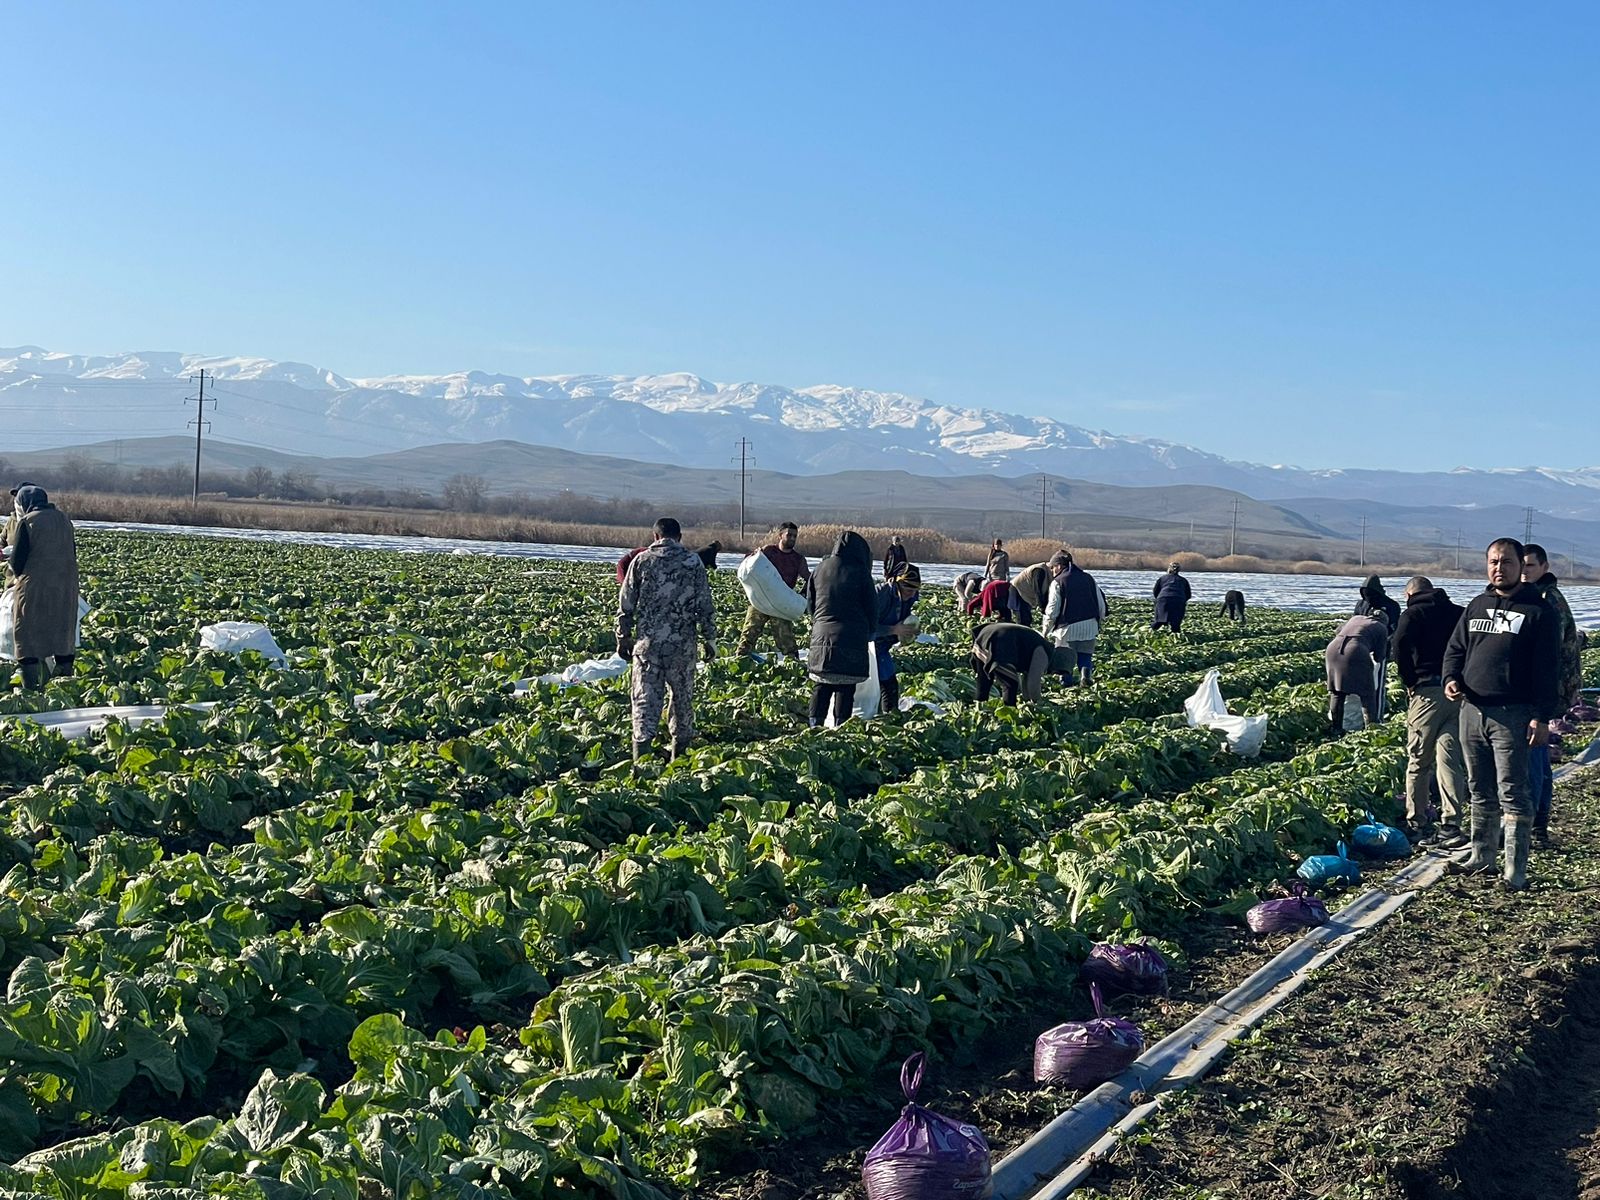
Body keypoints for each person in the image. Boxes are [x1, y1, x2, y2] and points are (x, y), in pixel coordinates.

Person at [1444, 537, 1563, 891]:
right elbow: (1455, 649)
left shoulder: (1540, 612)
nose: (1499, 567)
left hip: (1513, 714)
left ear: (1519, 567)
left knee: (1513, 789)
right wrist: (1451, 678)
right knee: (1479, 788)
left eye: (1507, 562)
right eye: (1493, 561)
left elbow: (1547, 670)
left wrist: (1542, 717)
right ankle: (1482, 855)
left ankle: (1515, 869)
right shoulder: (1476, 606)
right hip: (1472, 711)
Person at [616, 517, 716, 762]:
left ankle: (641, 762)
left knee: (644, 700)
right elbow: (704, 605)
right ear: (680, 537)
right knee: (682, 700)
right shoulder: (692, 562)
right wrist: (710, 639)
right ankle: (678, 760)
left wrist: (623, 637)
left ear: (655, 537)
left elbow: (626, 604)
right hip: (682, 646)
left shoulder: (641, 561)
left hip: (647, 647)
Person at [1391, 577, 1468, 845]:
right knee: (1449, 758)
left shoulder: (1413, 614)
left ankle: (1417, 822)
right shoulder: (1459, 612)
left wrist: (1410, 680)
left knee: (1418, 761)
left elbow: (1399, 646)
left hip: (1427, 693)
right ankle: (1451, 823)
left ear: (1410, 593)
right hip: (1457, 694)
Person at [1522, 544, 1582, 847]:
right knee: (1539, 761)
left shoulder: (1548, 602)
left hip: (1544, 693)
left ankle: (1534, 826)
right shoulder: (1541, 598)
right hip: (1548, 692)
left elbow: (1549, 656)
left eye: (1530, 566)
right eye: (1521, 566)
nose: (1524, 571)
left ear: (1544, 568)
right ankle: (1538, 826)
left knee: (1533, 757)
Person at [5, 484, 79, 690]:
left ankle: (31, 687)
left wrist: (12, 576)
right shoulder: (64, 519)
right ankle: (64, 685)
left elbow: (17, 561)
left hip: (35, 587)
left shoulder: (28, 522)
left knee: (26, 634)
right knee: (62, 632)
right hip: (66, 586)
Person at [806, 531, 877, 727]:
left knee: (821, 686)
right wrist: (870, 631)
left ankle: (814, 727)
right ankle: (839, 727)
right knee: (845, 688)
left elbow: (811, 604)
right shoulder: (861, 572)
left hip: (821, 636)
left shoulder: (819, 569)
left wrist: (819, 623)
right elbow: (872, 608)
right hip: (851, 638)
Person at [735, 522, 811, 659]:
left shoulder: (798, 559)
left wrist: (801, 596)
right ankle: (741, 658)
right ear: (780, 535)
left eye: (795, 536)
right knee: (749, 632)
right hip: (761, 600)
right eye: (789, 535)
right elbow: (749, 565)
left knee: (786, 638)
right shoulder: (768, 551)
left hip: (780, 603)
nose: (792, 538)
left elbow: (809, 579)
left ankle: (793, 664)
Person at [1042, 551, 1107, 686]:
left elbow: (1052, 610)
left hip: (1067, 628)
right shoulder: (1088, 578)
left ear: (1059, 566)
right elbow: (1101, 602)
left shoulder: (1058, 582)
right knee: (1085, 655)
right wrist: (1100, 620)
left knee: (1065, 659)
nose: (1052, 571)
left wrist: (1045, 631)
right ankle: (1085, 675)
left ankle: (1067, 683)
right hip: (1090, 625)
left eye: (1053, 567)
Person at [1324, 612, 1389, 734]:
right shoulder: (1381, 627)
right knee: (1367, 693)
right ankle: (1371, 729)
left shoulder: (1356, 618)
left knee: (1337, 691)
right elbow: (1380, 656)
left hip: (1332, 649)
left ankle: (1336, 728)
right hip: (1355, 651)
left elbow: (1338, 630)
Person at [971, 612, 1056, 705]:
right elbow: (1033, 683)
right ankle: (1008, 711)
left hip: (985, 634)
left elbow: (1027, 678)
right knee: (1010, 683)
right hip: (1001, 641)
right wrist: (1038, 703)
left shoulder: (1040, 643)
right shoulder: (1044, 653)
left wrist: (1027, 700)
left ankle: (980, 706)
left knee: (984, 679)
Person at [873, 563, 922, 715]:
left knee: (889, 684)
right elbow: (865, 627)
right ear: (896, 582)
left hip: (883, 647)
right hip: (867, 647)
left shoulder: (910, 596)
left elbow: (902, 618)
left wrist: (910, 631)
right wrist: (893, 630)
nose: (911, 594)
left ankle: (889, 717)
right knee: (875, 686)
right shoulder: (880, 595)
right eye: (908, 590)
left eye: (915, 590)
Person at [1151, 562, 1192, 633]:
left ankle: (1150, 633)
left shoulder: (1162, 578)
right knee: (1175, 624)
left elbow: (1156, 592)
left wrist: (1158, 600)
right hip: (1179, 600)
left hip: (1163, 599)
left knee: (1159, 621)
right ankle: (1176, 637)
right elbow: (1188, 594)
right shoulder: (1183, 580)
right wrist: (1183, 601)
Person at [1010, 560, 1051, 626]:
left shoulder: (1049, 573)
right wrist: (1042, 607)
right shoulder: (1040, 570)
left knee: (1027, 619)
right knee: (1022, 620)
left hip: (1026, 594)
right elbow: (1037, 590)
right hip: (1018, 591)